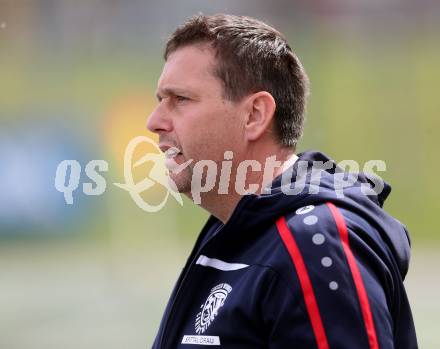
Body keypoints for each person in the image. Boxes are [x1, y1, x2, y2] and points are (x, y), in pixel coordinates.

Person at [147, 13, 418, 349]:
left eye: (181, 100)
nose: (154, 121)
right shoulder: (231, 230)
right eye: (161, 101)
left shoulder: (315, 243)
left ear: (255, 115)